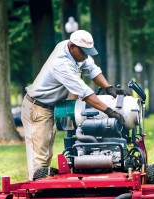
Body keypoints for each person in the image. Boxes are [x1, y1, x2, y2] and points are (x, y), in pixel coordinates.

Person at [21, 30, 129, 180]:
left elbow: (91, 69)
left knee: (46, 154)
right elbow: (85, 93)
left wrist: (109, 88)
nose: (85, 55)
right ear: (72, 46)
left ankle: (42, 188)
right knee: (39, 158)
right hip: (38, 108)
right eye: (83, 52)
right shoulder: (61, 64)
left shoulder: (71, 49)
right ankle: (35, 197)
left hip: (50, 107)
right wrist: (110, 112)